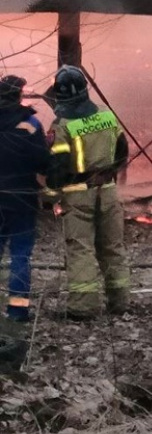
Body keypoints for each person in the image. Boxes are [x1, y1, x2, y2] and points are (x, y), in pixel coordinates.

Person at [46, 65, 130, 320]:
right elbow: (122, 151)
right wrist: (108, 171)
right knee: (112, 247)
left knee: (81, 250)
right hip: (108, 191)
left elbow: (58, 168)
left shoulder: (62, 125)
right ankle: (120, 302)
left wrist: (49, 195)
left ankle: (83, 308)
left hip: (77, 195)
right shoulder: (107, 116)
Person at [0, 75, 51, 322]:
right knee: (20, 254)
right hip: (22, 198)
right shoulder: (30, 124)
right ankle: (17, 310)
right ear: (19, 95)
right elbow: (42, 162)